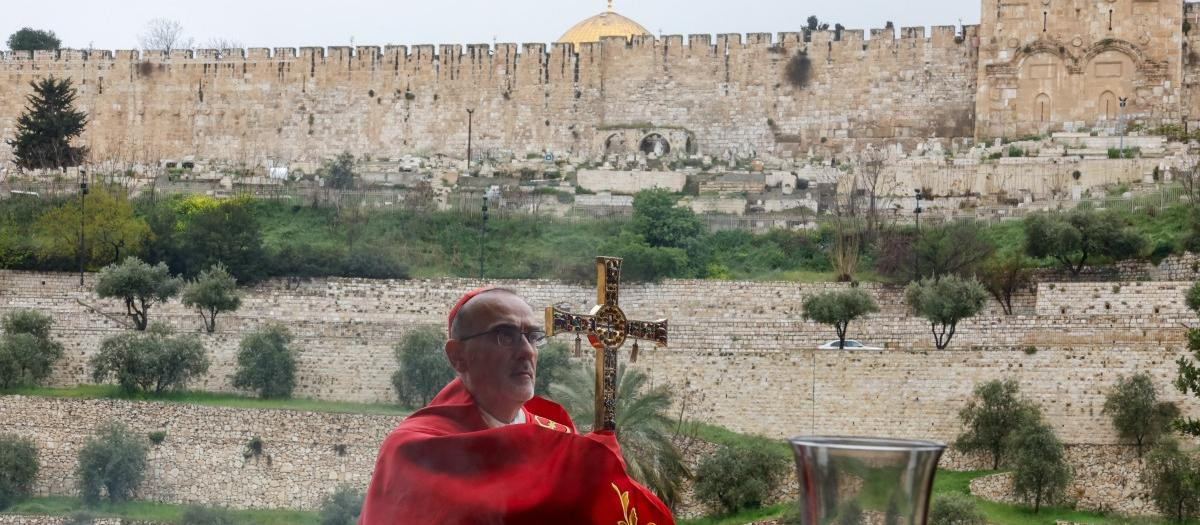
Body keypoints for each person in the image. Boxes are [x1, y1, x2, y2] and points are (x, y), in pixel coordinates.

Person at [359, 286, 674, 525]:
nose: (527, 351)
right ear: (457, 355)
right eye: (504, 336)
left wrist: (608, 476)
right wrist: (588, 466)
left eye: (533, 337)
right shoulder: (414, 450)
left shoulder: (559, 432)